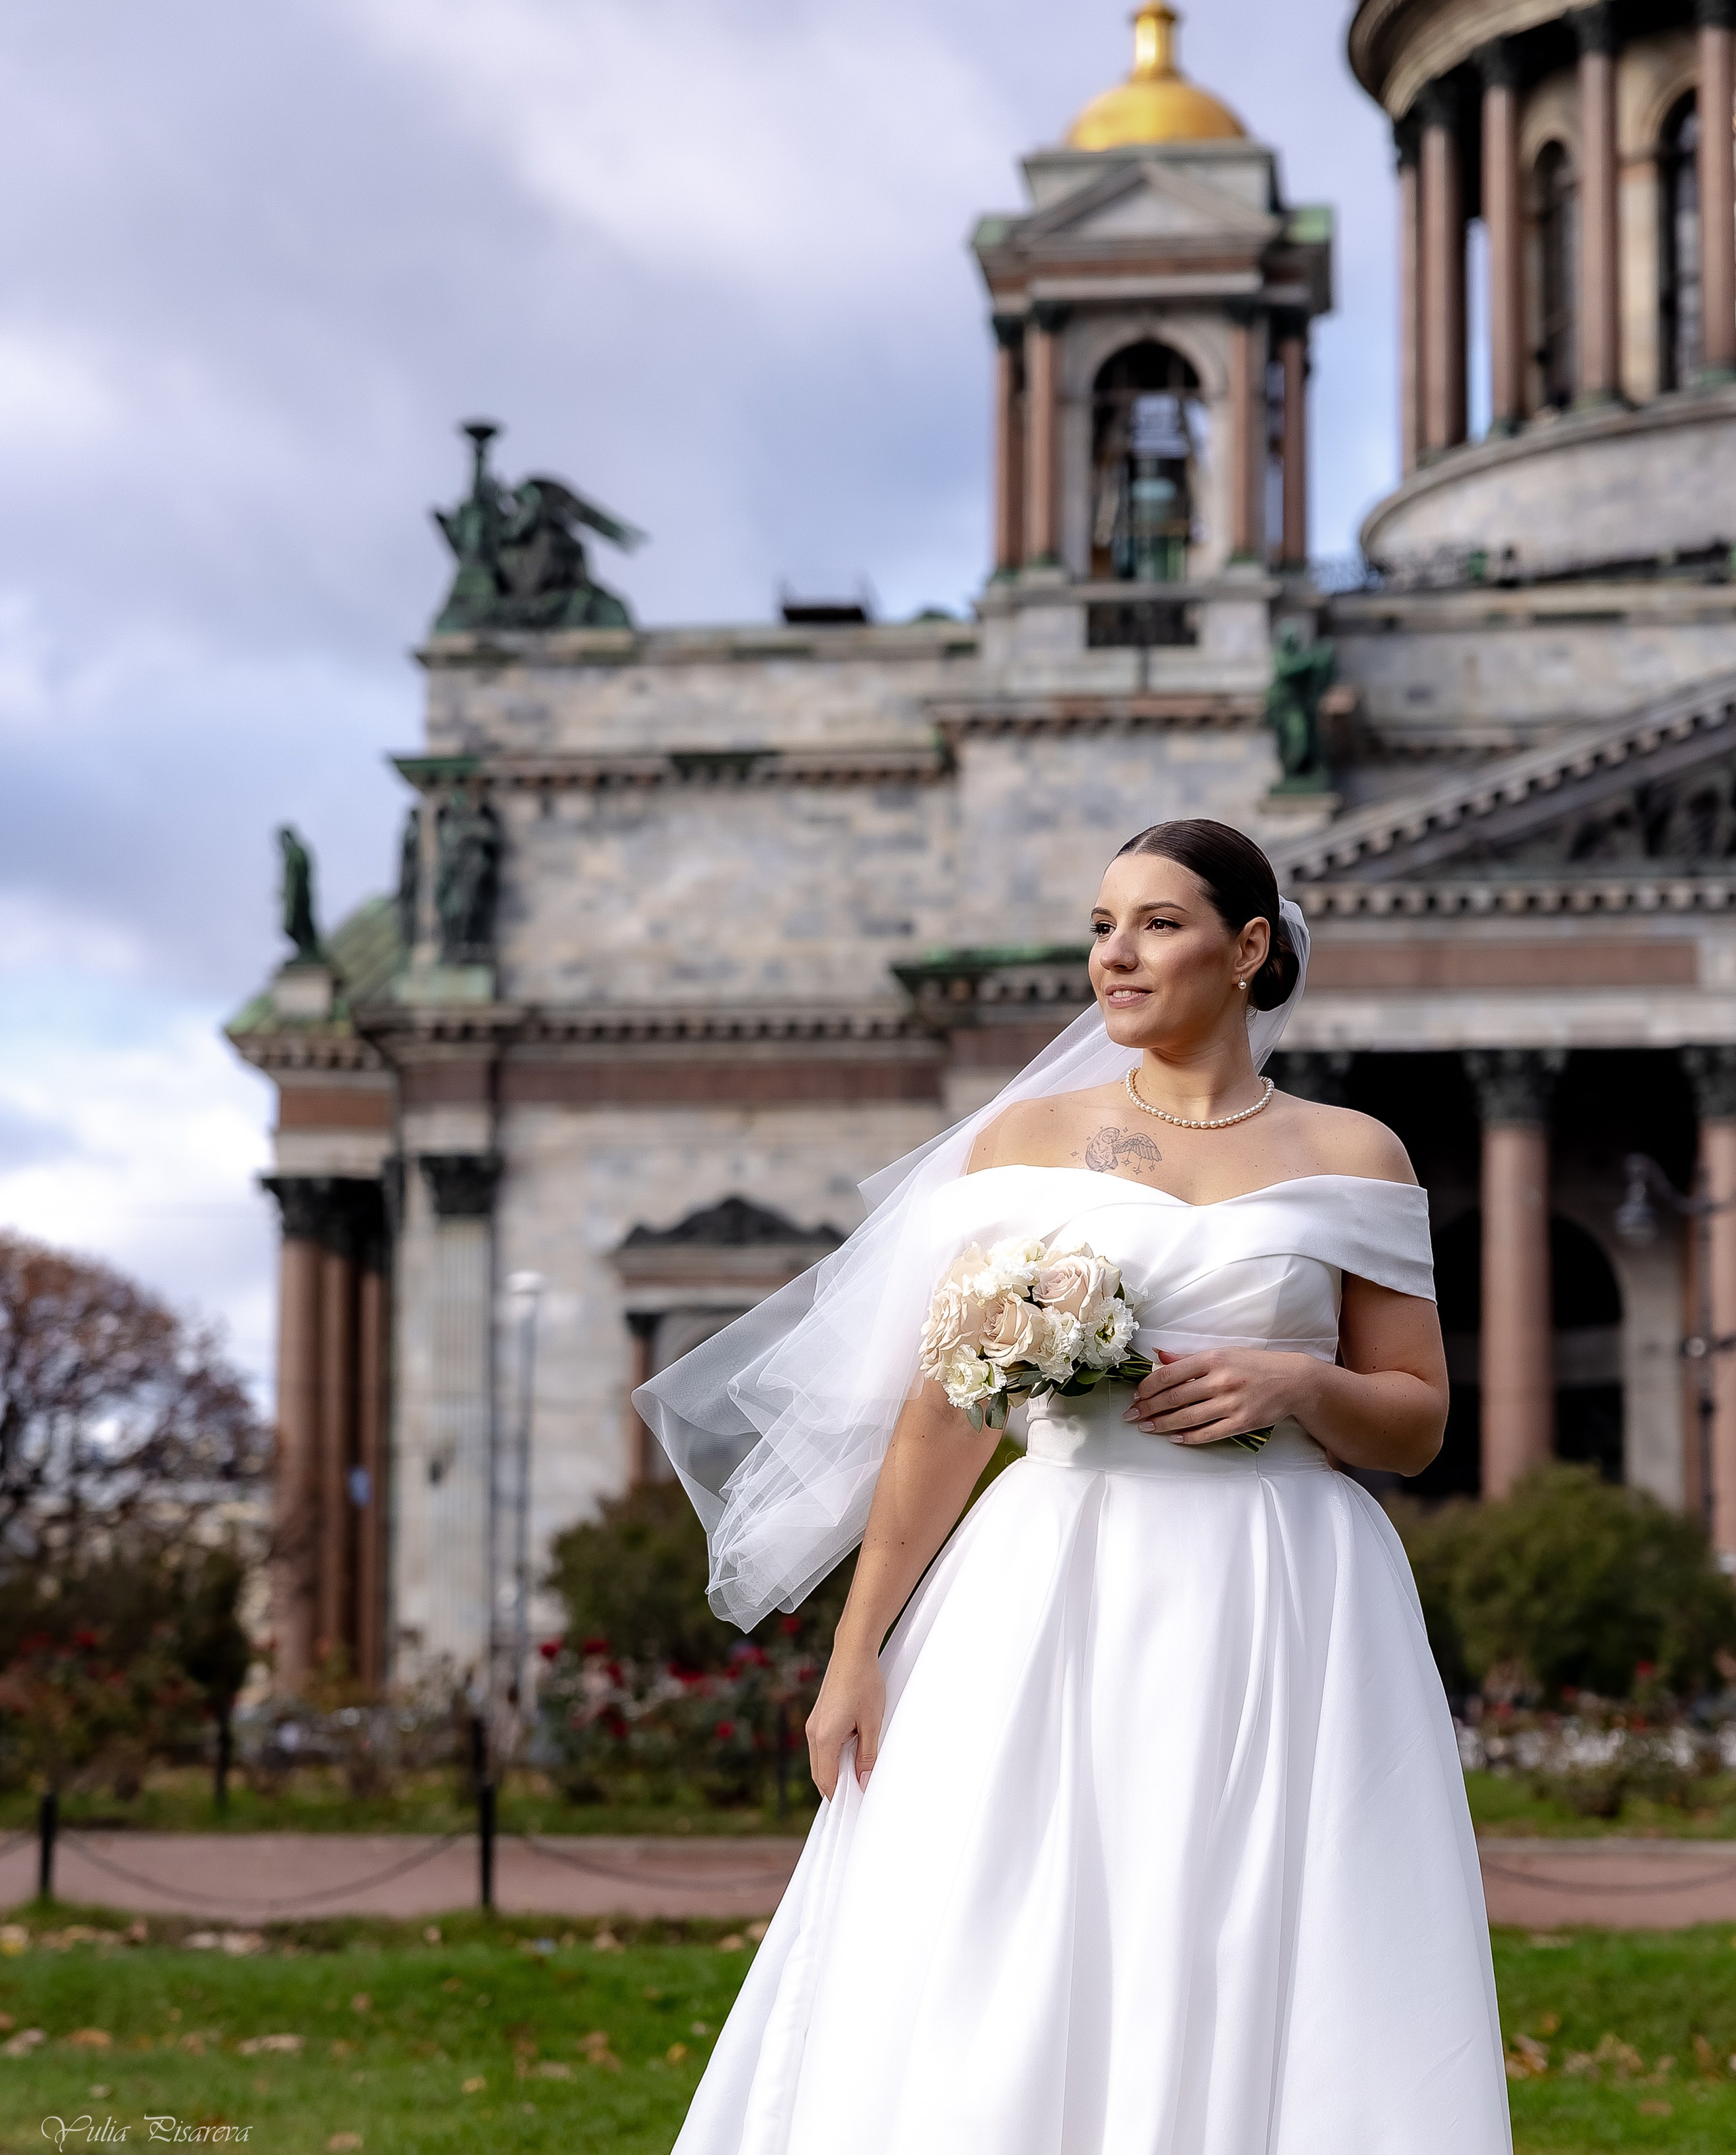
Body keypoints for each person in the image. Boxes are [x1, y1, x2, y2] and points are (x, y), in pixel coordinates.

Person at [637, 818, 1511, 2155]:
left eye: (1156, 922)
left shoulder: (1354, 1153)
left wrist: (1297, 1386)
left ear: (1248, 947)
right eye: (1100, 925)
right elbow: (941, 1414)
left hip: (1282, 1581)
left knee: (1262, 1918)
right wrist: (853, 1652)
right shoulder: (1021, 1144)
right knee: (1008, 1920)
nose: (1114, 953)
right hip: (1052, 1570)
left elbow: (1414, 1418)